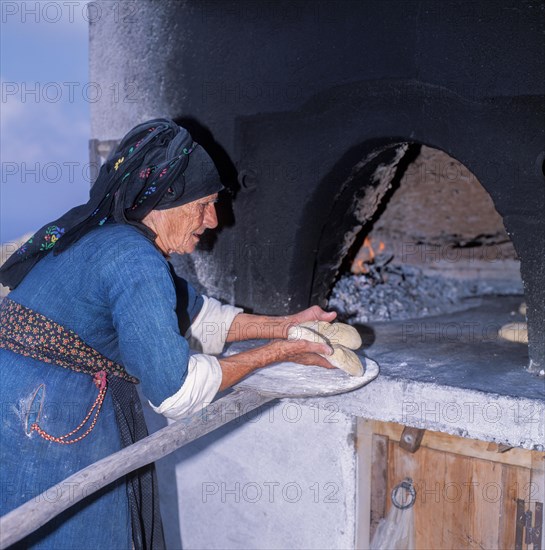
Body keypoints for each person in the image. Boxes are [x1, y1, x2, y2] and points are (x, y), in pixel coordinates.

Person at [0, 118, 336, 549]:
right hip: (43, 415)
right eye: (204, 205)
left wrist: (288, 326)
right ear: (164, 201)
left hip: (22, 396)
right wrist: (277, 353)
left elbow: (199, 316)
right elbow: (177, 394)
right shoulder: (134, 260)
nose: (213, 220)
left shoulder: (112, 240)